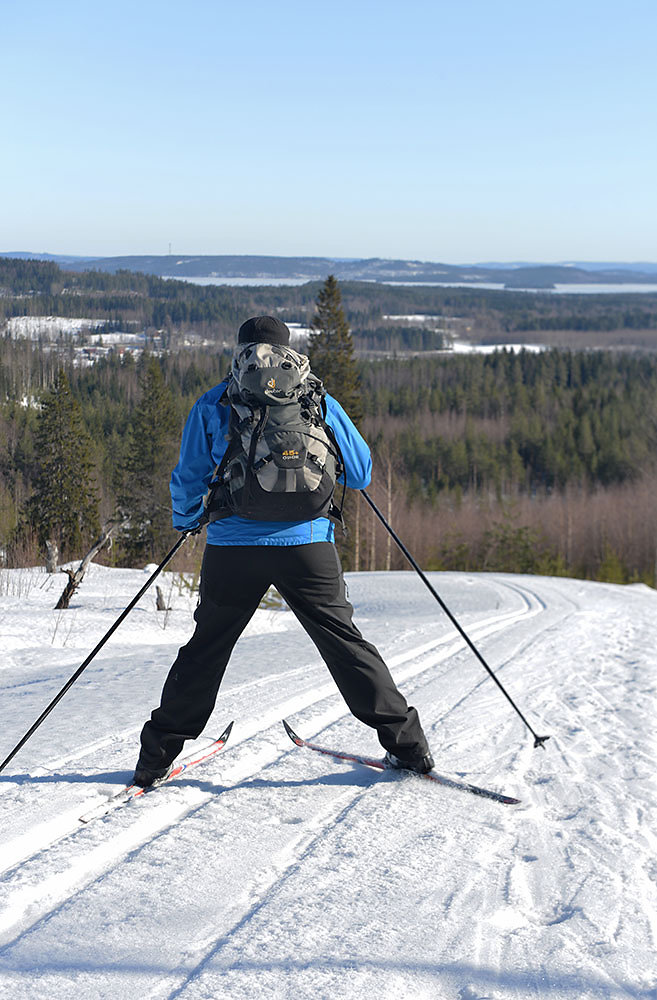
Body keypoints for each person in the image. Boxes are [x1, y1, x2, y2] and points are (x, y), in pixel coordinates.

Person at [133, 315, 433, 786]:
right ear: (288, 352)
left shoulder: (216, 401)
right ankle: (408, 747)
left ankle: (155, 758)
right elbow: (360, 473)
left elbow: (188, 479)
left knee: (206, 652)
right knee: (345, 646)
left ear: (240, 351)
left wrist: (187, 520)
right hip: (309, 547)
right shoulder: (316, 400)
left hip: (233, 548)